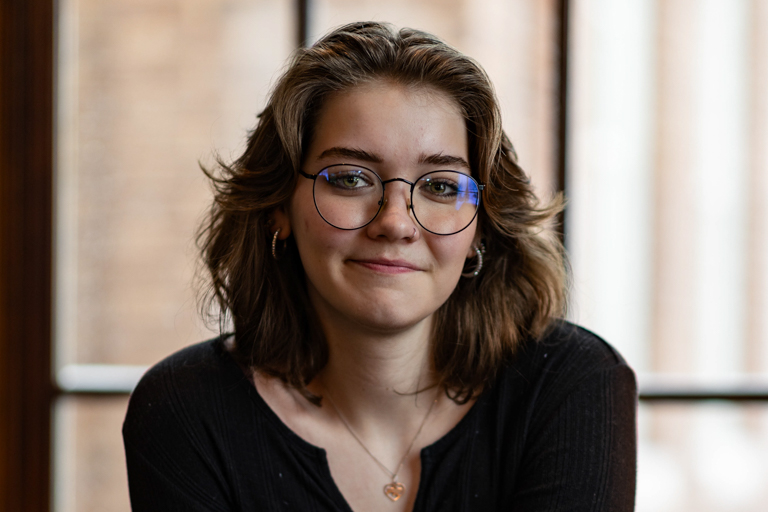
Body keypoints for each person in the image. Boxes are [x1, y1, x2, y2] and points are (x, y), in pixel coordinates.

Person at [123, 21, 637, 512]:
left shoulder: (570, 386)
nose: (395, 223)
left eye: (440, 186)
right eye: (350, 178)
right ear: (279, 205)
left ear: (480, 224)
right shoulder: (186, 411)